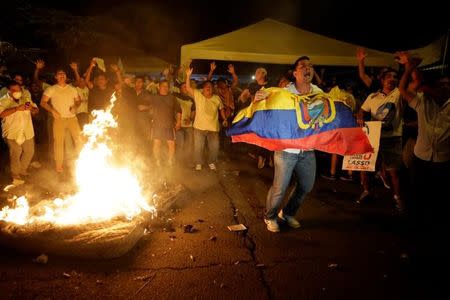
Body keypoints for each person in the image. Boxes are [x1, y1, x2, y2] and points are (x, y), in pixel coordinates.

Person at [261, 56, 323, 232]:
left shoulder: (318, 92)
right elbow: (268, 106)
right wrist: (260, 98)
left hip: (308, 150)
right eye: (303, 65)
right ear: (295, 72)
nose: (307, 68)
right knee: (280, 188)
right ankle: (270, 216)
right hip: (286, 150)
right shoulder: (285, 91)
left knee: (306, 186)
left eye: (310, 65)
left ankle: (287, 213)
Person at [356, 68, 404, 212]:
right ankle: (366, 190)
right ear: (382, 80)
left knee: (393, 171)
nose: (392, 79)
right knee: (364, 166)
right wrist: (360, 117)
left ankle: (398, 197)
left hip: (393, 138)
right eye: (388, 76)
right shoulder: (372, 96)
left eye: (395, 76)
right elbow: (362, 111)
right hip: (373, 137)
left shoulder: (399, 93)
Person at [40, 69, 82, 173]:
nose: (62, 75)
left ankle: (82, 161)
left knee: (79, 140)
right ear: (56, 77)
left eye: (63, 73)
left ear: (66, 76)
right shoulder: (51, 89)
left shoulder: (72, 89)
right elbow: (43, 102)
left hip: (72, 118)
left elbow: (78, 100)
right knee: (58, 143)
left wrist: (75, 106)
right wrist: (53, 111)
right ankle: (59, 165)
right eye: (59, 74)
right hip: (59, 119)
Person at [185, 67, 227, 171]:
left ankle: (211, 162)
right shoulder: (198, 95)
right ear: (203, 89)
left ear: (213, 88)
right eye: (206, 86)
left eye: (210, 86)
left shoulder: (216, 98)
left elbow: (221, 109)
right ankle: (198, 163)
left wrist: (225, 118)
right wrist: (188, 76)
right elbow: (188, 88)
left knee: (215, 148)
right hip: (199, 128)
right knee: (198, 148)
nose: (208, 88)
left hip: (213, 128)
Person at [0, 80, 39, 185]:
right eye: (14, 90)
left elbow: (36, 110)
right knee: (16, 152)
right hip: (12, 133)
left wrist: (32, 109)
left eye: (18, 90)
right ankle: (15, 174)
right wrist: (17, 108)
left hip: (27, 131)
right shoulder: (3, 101)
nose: (17, 92)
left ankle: (22, 169)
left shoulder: (25, 99)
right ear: (9, 90)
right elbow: (1, 114)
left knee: (29, 151)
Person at [139, 80, 181, 167]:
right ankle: (157, 161)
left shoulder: (172, 98)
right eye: (163, 86)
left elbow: (178, 110)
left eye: (167, 86)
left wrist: (179, 121)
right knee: (156, 144)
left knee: (171, 144)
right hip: (157, 125)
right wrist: (149, 86)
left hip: (169, 125)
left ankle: (170, 161)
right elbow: (142, 96)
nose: (165, 88)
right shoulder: (154, 97)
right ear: (159, 87)